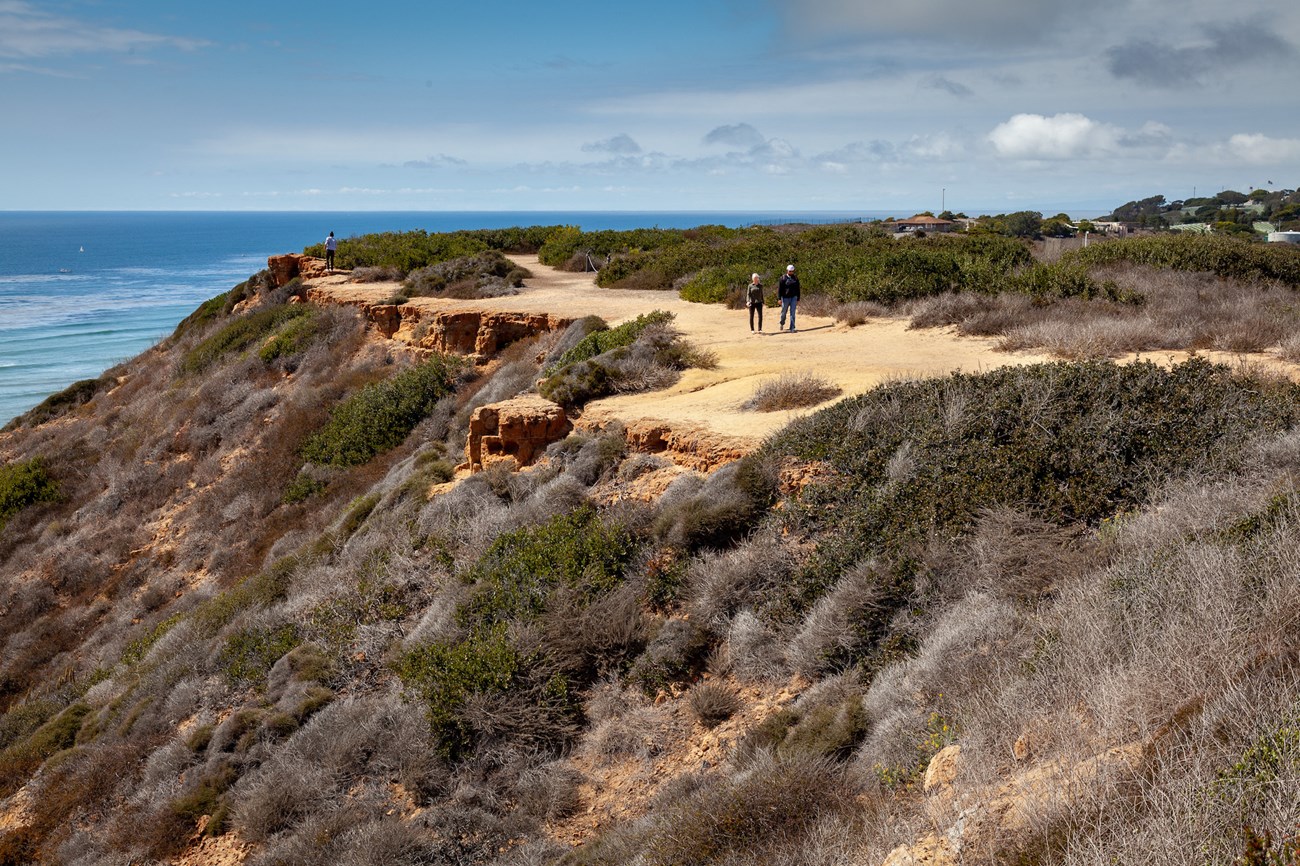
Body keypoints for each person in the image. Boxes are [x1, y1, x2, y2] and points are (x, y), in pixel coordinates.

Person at [777, 264, 801, 332]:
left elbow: (798, 288)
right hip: (785, 298)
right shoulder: (783, 278)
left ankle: (792, 327)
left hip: (793, 297)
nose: (791, 272)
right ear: (787, 271)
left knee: (792, 312)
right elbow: (780, 289)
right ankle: (782, 323)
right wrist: (779, 298)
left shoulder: (795, 278)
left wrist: (798, 298)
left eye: (792, 271)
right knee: (784, 312)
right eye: (790, 271)